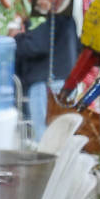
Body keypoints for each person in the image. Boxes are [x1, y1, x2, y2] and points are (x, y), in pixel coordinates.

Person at [13, 13, 79, 141]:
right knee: (61, 136)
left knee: (45, 137)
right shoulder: (68, 20)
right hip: (64, 83)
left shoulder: (56, 20)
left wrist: (16, 38)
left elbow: (35, 46)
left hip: (48, 86)